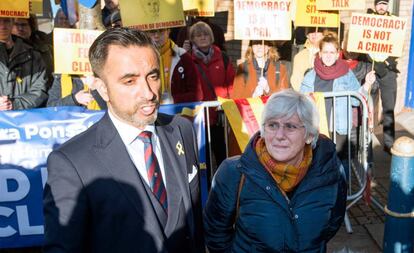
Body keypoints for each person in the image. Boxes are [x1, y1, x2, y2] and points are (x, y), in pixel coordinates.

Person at [43, 28, 204, 253]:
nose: (148, 93)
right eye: (130, 81)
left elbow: (193, 220)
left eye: (153, 76)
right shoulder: (71, 163)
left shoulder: (180, 130)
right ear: (102, 89)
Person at [204, 89, 347, 252]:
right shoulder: (233, 172)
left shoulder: (329, 170)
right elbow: (216, 234)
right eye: (272, 125)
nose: (279, 135)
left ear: (309, 135)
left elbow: (331, 225)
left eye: (290, 126)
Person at [300, 32, 375, 170]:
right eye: (325, 52)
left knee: (340, 165)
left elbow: (356, 100)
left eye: (332, 52)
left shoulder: (347, 74)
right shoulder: (310, 75)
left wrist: (367, 85)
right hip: (317, 128)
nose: (328, 55)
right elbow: (301, 101)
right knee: (316, 166)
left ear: (337, 54)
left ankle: (342, 191)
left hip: (339, 129)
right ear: (320, 54)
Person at [188, 21, 235, 168]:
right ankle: (207, 189)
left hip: (220, 117)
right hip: (199, 118)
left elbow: (231, 84)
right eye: (198, 35)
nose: (202, 37)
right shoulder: (187, 59)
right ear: (193, 39)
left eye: (206, 34)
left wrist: (228, 105)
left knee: (223, 156)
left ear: (211, 37)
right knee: (204, 160)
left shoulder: (223, 58)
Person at [365, 0, 399, 155]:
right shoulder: (368, 19)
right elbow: (362, 42)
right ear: (375, 5)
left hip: (387, 70)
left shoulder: (394, 21)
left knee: (388, 107)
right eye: (379, 3)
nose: (381, 7)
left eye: (384, 3)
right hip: (370, 69)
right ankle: (364, 140)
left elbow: (397, 46)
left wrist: (386, 64)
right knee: (366, 105)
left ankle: (388, 143)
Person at [0, 17, 48, 110]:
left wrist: (14, 104)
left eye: (6, 20)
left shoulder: (33, 55)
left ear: (12, 22)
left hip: (23, 120)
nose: (2, 26)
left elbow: (40, 90)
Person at [146, 28, 202, 104]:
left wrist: (171, 100)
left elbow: (197, 95)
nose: (156, 36)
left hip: (179, 113)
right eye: (152, 31)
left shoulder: (183, 56)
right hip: (149, 112)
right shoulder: (140, 58)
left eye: (161, 31)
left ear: (168, 31)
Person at [13, 15, 54, 86]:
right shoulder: (4, 50)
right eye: (16, 24)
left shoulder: (45, 48)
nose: (20, 28)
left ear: (31, 27)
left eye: (24, 25)